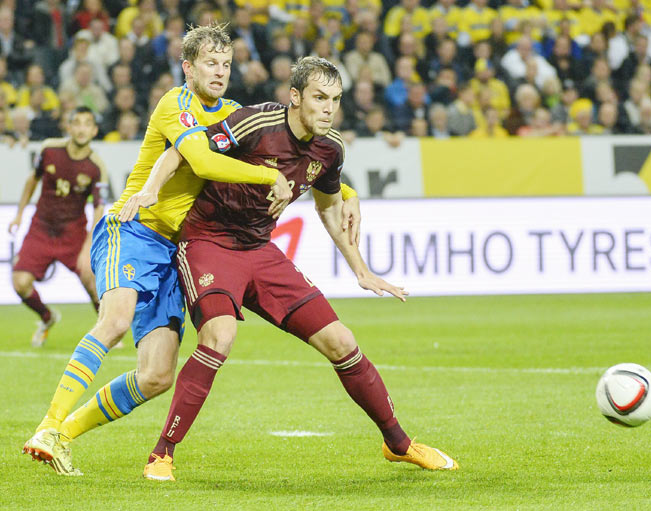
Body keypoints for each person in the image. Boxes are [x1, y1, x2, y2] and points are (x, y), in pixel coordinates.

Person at [132, 56, 458, 481]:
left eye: (335, 100)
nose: (328, 108)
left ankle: (399, 444)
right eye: (320, 98)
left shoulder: (330, 148)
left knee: (341, 341)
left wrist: (360, 269)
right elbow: (182, 150)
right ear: (295, 97)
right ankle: (162, 454)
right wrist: (150, 190)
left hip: (260, 251)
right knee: (220, 335)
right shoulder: (256, 123)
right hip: (208, 242)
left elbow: (329, 208)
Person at [21, 23, 297, 476]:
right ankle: (47, 424)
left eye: (226, 64)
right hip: (133, 229)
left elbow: (282, 150)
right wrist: (269, 178)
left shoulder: (232, 113)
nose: (220, 71)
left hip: (177, 252)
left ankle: (63, 435)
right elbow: (204, 161)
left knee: (156, 376)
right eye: (211, 63)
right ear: (187, 67)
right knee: (114, 319)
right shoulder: (176, 103)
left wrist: (341, 190)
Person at [9, 106, 106, 347]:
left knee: (91, 281)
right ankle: (47, 316)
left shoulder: (96, 167)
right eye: (77, 123)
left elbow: (98, 208)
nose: (82, 128)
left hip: (72, 231)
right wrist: (19, 214)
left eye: (87, 124)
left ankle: (106, 333)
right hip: (41, 227)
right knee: (19, 283)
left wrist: (87, 247)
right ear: (69, 126)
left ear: (94, 131)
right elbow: (33, 179)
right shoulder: (50, 149)